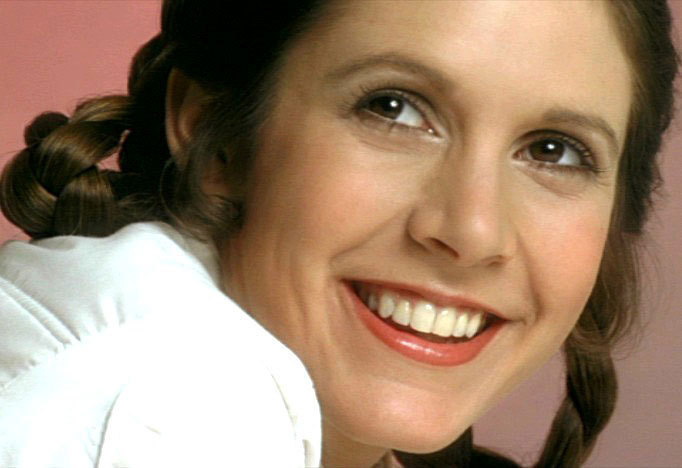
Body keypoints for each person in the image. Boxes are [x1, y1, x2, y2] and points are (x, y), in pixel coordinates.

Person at [0, 1, 677, 467]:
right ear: (219, 136)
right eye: (394, 109)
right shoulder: (168, 408)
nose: (473, 231)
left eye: (554, 151)